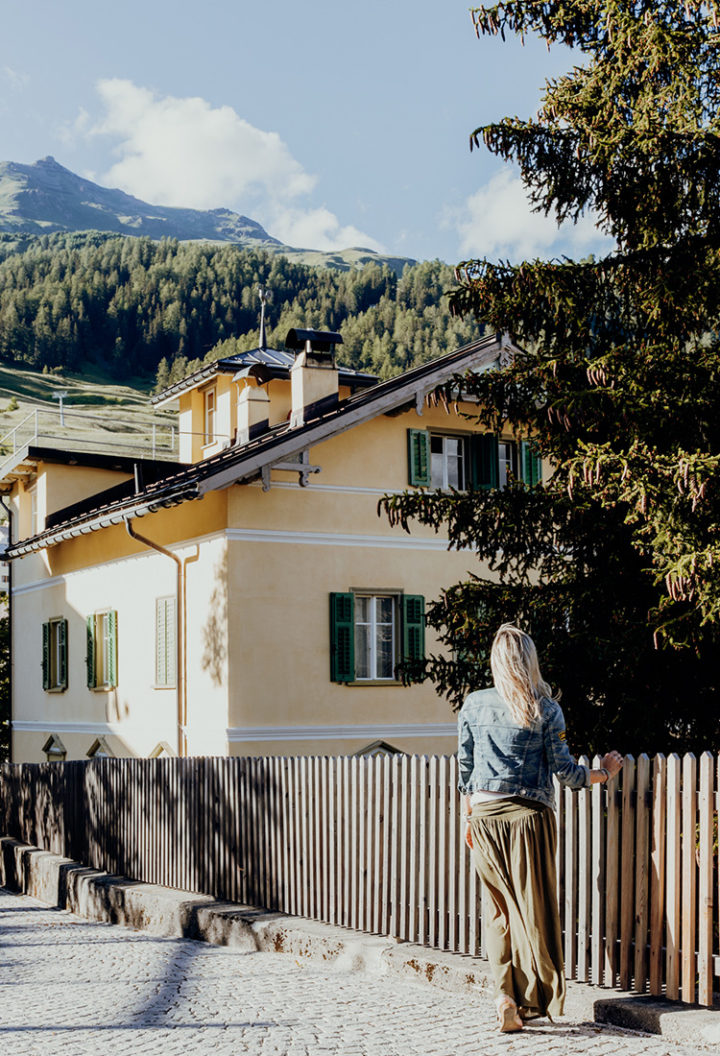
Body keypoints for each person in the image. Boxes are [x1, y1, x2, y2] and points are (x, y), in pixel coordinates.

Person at [457, 623, 623, 1033]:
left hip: (483, 818)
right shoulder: (545, 709)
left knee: (497, 912)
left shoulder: (474, 704)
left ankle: (504, 996)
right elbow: (567, 773)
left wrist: (467, 817)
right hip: (528, 819)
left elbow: (465, 769)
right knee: (534, 911)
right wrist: (604, 772)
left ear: (496, 663)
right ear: (530, 661)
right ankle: (531, 1001)